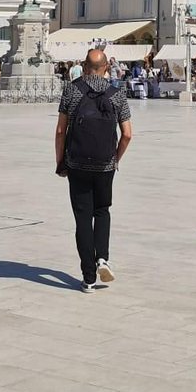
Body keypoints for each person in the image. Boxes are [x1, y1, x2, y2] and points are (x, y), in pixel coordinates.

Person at [55, 49, 134, 292]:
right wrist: (116, 158)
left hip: (76, 163)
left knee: (82, 218)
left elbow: (60, 131)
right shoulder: (116, 94)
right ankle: (103, 259)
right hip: (105, 165)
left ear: (84, 66)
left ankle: (88, 277)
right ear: (106, 68)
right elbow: (127, 134)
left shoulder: (71, 90)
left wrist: (60, 162)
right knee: (102, 211)